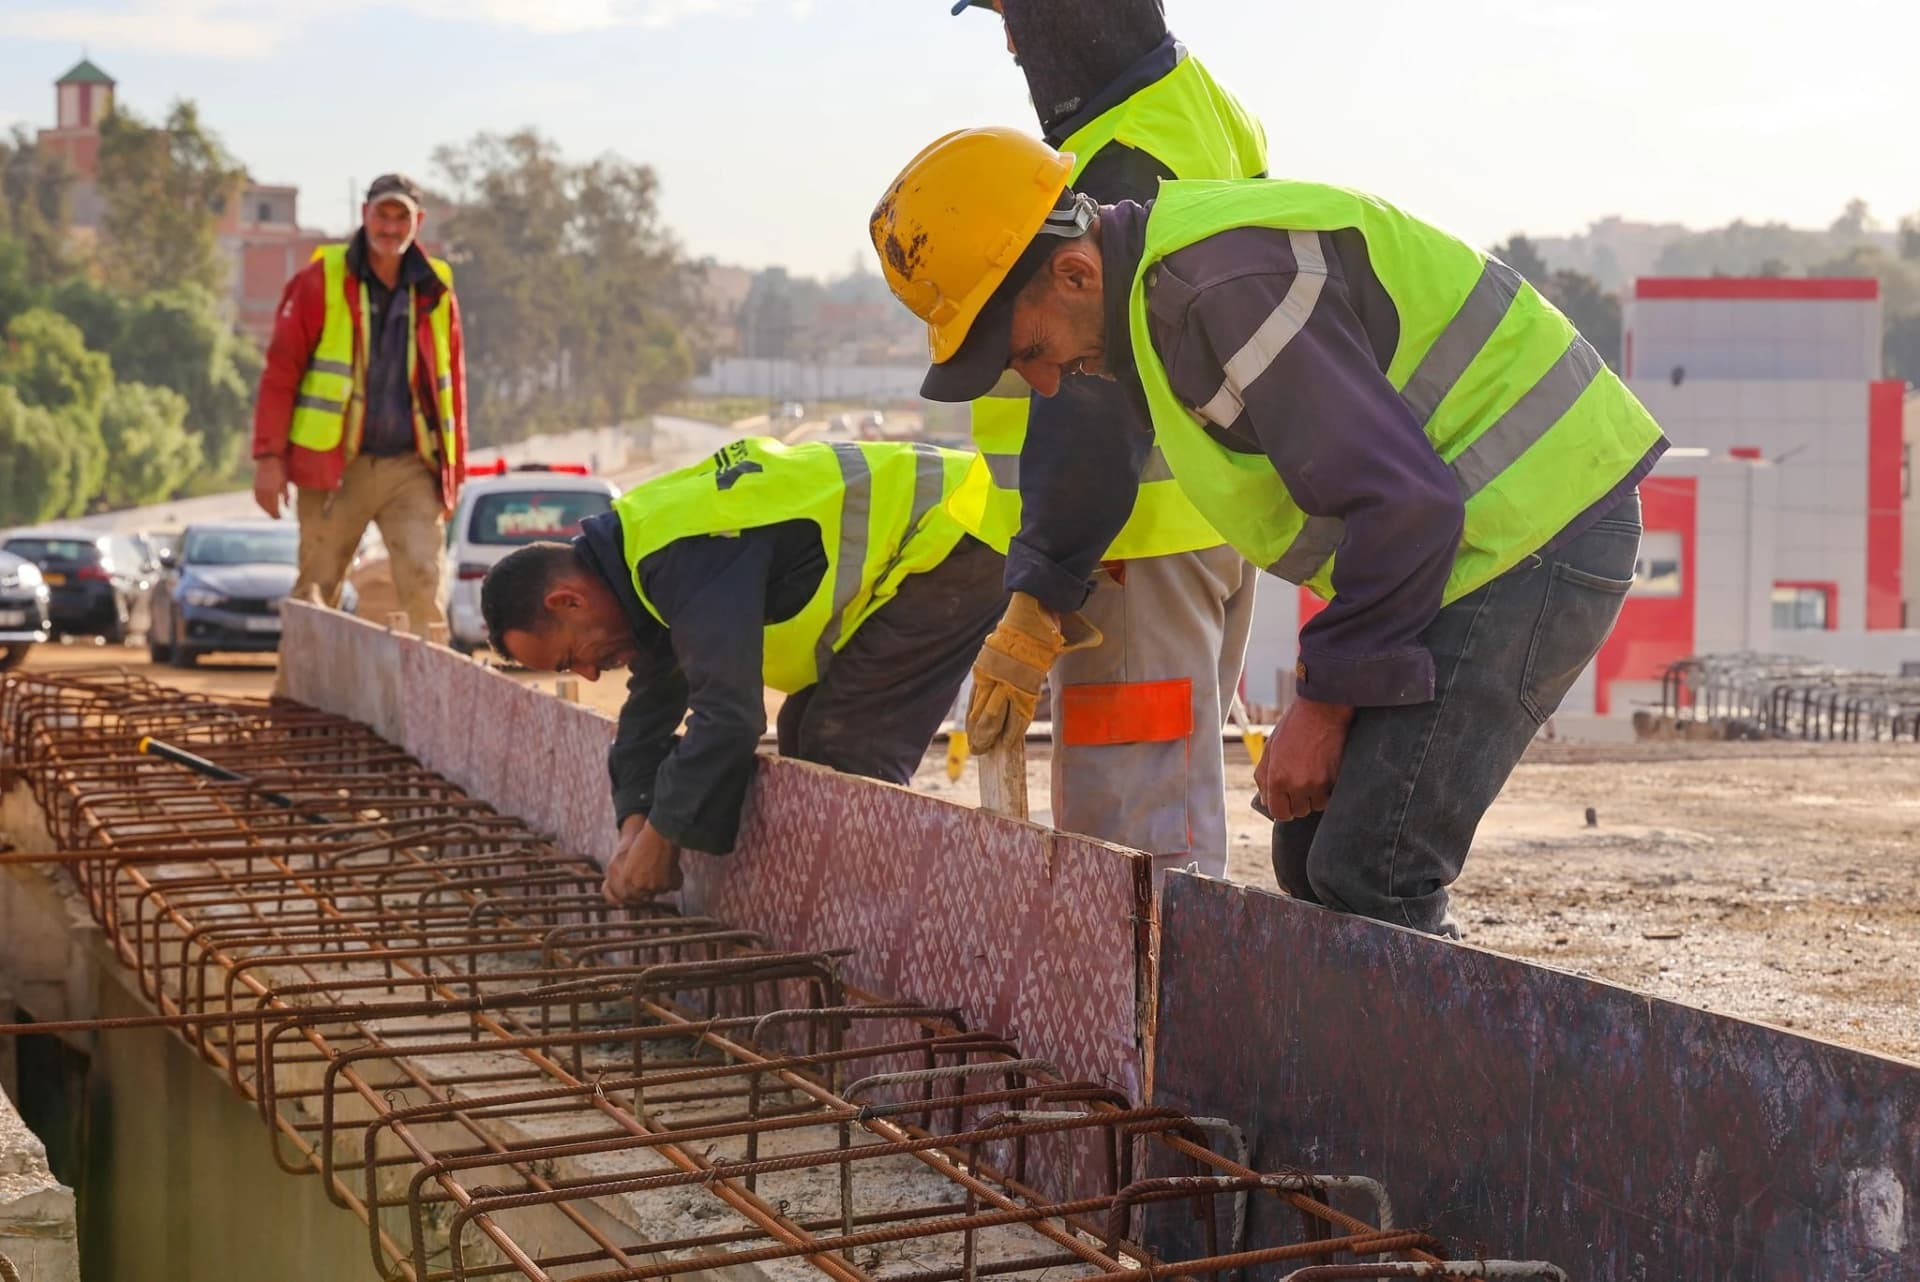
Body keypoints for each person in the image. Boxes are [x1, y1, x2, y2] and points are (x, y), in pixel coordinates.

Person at [869, 128, 1667, 936]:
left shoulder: (1219, 294)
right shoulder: (1159, 293)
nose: (1042, 378)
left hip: (1543, 530)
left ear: (1075, 272)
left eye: (1032, 350)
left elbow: (1407, 506)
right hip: (1480, 542)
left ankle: (1428, 1059)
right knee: (1308, 854)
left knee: (1370, 871)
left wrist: (1322, 708)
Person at [942, 0, 1268, 885]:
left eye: (1011, 13)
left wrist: (1041, 591)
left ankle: (1149, 1021)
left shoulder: (1119, 156)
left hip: (1126, 544)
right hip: (1192, 523)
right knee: (1166, 808)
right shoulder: (1192, 106)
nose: (1009, 41)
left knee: (1133, 841)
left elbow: (1092, 396)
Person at [481, 437, 1007, 904]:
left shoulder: (678, 555)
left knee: (845, 745)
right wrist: (633, 828)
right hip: (938, 536)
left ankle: (891, 922)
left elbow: (729, 716)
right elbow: (649, 712)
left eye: (571, 658)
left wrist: (662, 841)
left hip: (964, 528)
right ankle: (842, 913)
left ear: (568, 602)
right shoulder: (640, 558)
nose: (590, 675)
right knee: (805, 731)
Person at [252, 173, 466, 636]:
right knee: (316, 590)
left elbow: (452, 388)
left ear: (418, 222)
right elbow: (280, 373)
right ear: (364, 215)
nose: (390, 227)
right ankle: (297, 702)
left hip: (411, 467)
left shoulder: (434, 288)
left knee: (426, 586)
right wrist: (269, 458)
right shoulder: (320, 280)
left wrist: (454, 472)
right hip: (334, 468)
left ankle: (433, 705)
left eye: (400, 217)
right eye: (381, 215)